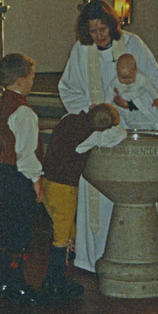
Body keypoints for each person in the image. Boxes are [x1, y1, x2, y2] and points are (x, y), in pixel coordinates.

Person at [58, 0, 158, 272]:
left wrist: (130, 105)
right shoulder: (81, 50)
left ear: (112, 24)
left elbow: (157, 84)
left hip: (132, 131)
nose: (98, 35)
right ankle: (93, 258)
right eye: (92, 30)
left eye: (103, 29)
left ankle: (133, 256)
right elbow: (68, 89)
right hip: (97, 131)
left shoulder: (132, 45)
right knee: (96, 197)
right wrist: (91, 110)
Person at [41, 102, 125, 303]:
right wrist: (111, 125)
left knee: (69, 232)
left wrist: (93, 111)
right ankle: (54, 283)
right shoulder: (92, 136)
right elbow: (119, 135)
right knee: (62, 237)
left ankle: (60, 277)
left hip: (48, 182)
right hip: (64, 188)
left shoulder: (69, 120)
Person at [0, 53, 43, 306]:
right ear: (21, 80)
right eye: (32, 77)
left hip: (4, 172)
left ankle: (6, 281)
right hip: (19, 176)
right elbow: (26, 153)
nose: (34, 81)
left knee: (8, 229)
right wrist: (36, 181)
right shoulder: (23, 111)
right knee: (20, 231)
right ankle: (16, 285)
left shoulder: (5, 102)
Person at [105, 53, 158, 130]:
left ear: (136, 71)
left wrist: (156, 98)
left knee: (147, 117)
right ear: (117, 72)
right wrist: (107, 106)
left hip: (138, 99)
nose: (126, 81)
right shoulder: (115, 82)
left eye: (129, 77)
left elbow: (150, 88)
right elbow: (109, 93)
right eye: (122, 78)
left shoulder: (141, 79)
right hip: (124, 103)